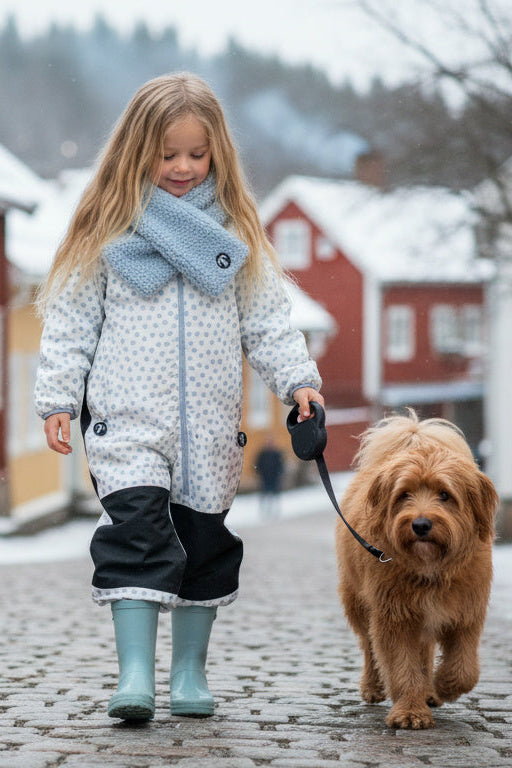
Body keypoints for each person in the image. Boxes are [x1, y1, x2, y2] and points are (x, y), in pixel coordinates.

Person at [34, 72, 324, 722]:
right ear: (138, 152)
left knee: (202, 545)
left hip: (211, 430)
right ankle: (134, 674)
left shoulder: (238, 240)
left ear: (217, 152)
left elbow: (269, 323)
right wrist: (56, 398)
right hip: (128, 423)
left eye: (197, 154)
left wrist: (298, 381)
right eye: (168, 155)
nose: (184, 167)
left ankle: (188, 672)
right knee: (135, 536)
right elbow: (70, 322)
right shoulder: (106, 233)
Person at [255, 436, 285, 518]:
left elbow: (281, 464)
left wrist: (280, 474)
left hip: (274, 476)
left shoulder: (276, 453)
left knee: (275, 494)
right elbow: (258, 464)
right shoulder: (262, 454)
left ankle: (275, 511)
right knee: (264, 494)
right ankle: (264, 511)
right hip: (265, 477)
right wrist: (259, 473)